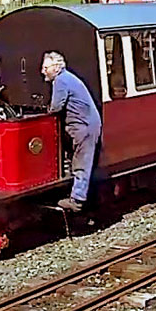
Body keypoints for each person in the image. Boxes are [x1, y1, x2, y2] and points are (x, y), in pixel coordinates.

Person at [42, 51, 102, 212]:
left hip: (84, 126)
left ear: (56, 67)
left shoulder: (60, 81)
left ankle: (77, 200)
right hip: (83, 125)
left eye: (45, 67)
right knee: (78, 159)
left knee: (82, 162)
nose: (43, 71)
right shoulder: (68, 77)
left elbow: (56, 107)